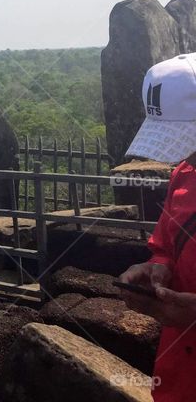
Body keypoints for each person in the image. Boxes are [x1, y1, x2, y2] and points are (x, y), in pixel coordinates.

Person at [117, 53, 196, 401]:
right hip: (180, 370)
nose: (185, 155)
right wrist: (156, 269)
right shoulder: (184, 176)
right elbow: (167, 244)